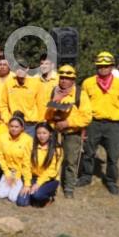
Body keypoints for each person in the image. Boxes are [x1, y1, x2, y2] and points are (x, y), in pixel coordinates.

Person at [79, 52, 119, 195]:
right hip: (93, 123)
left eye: (106, 66)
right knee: (88, 152)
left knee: (113, 156)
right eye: (100, 66)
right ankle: (86, 176)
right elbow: (83, 103)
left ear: (112, 67)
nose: (103, 69)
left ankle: (111, 181)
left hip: (113, 125)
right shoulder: (88, 83)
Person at [43, 65, 91, 198]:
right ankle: (52, 183)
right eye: (62, 77)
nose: (64, 80)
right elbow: (47, 115)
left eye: (67, 78)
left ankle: (69, 188)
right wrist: (54, 123)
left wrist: (67, 123)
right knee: (53, 158)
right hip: (55, 132)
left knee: (70, 161)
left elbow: (86, 117)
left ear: (73, 80)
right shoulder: (54, 92)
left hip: (72, 133)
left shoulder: (80, 94)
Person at [17, 122, 62, 207]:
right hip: (33, 177)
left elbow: (52, 171)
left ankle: (49, 196)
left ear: (50, 134)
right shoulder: (30, 144)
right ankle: (32, 194)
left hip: (49, 179)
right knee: (21, 202)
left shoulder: (57, 149)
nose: (41, 136)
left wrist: (38, 184)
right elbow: (26, 165)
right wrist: (27, 184)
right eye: (39, 133)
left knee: (37, 195)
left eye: (44, 133)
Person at [0, 114, 32, 204]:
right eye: (11, 126)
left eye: (16, 127)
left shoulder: (28, 140)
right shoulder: (2, 137)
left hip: (20, 172)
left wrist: (25, 181)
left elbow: (27, 162)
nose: (14, 129)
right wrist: (7, 173)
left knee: (13, 198)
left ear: (22, 128)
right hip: (8, 170)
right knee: (1, 194)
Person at [0, 59, 40, 135]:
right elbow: (3, 105)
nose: (20, 71)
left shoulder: (35, 83)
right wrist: (7, 120)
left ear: (27, 68)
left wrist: (40, 122)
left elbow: (40, 104)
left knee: (30, 146)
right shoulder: (8, 83)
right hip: (14, 124)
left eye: (23, 68)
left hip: (30, 125)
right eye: (18, 68)